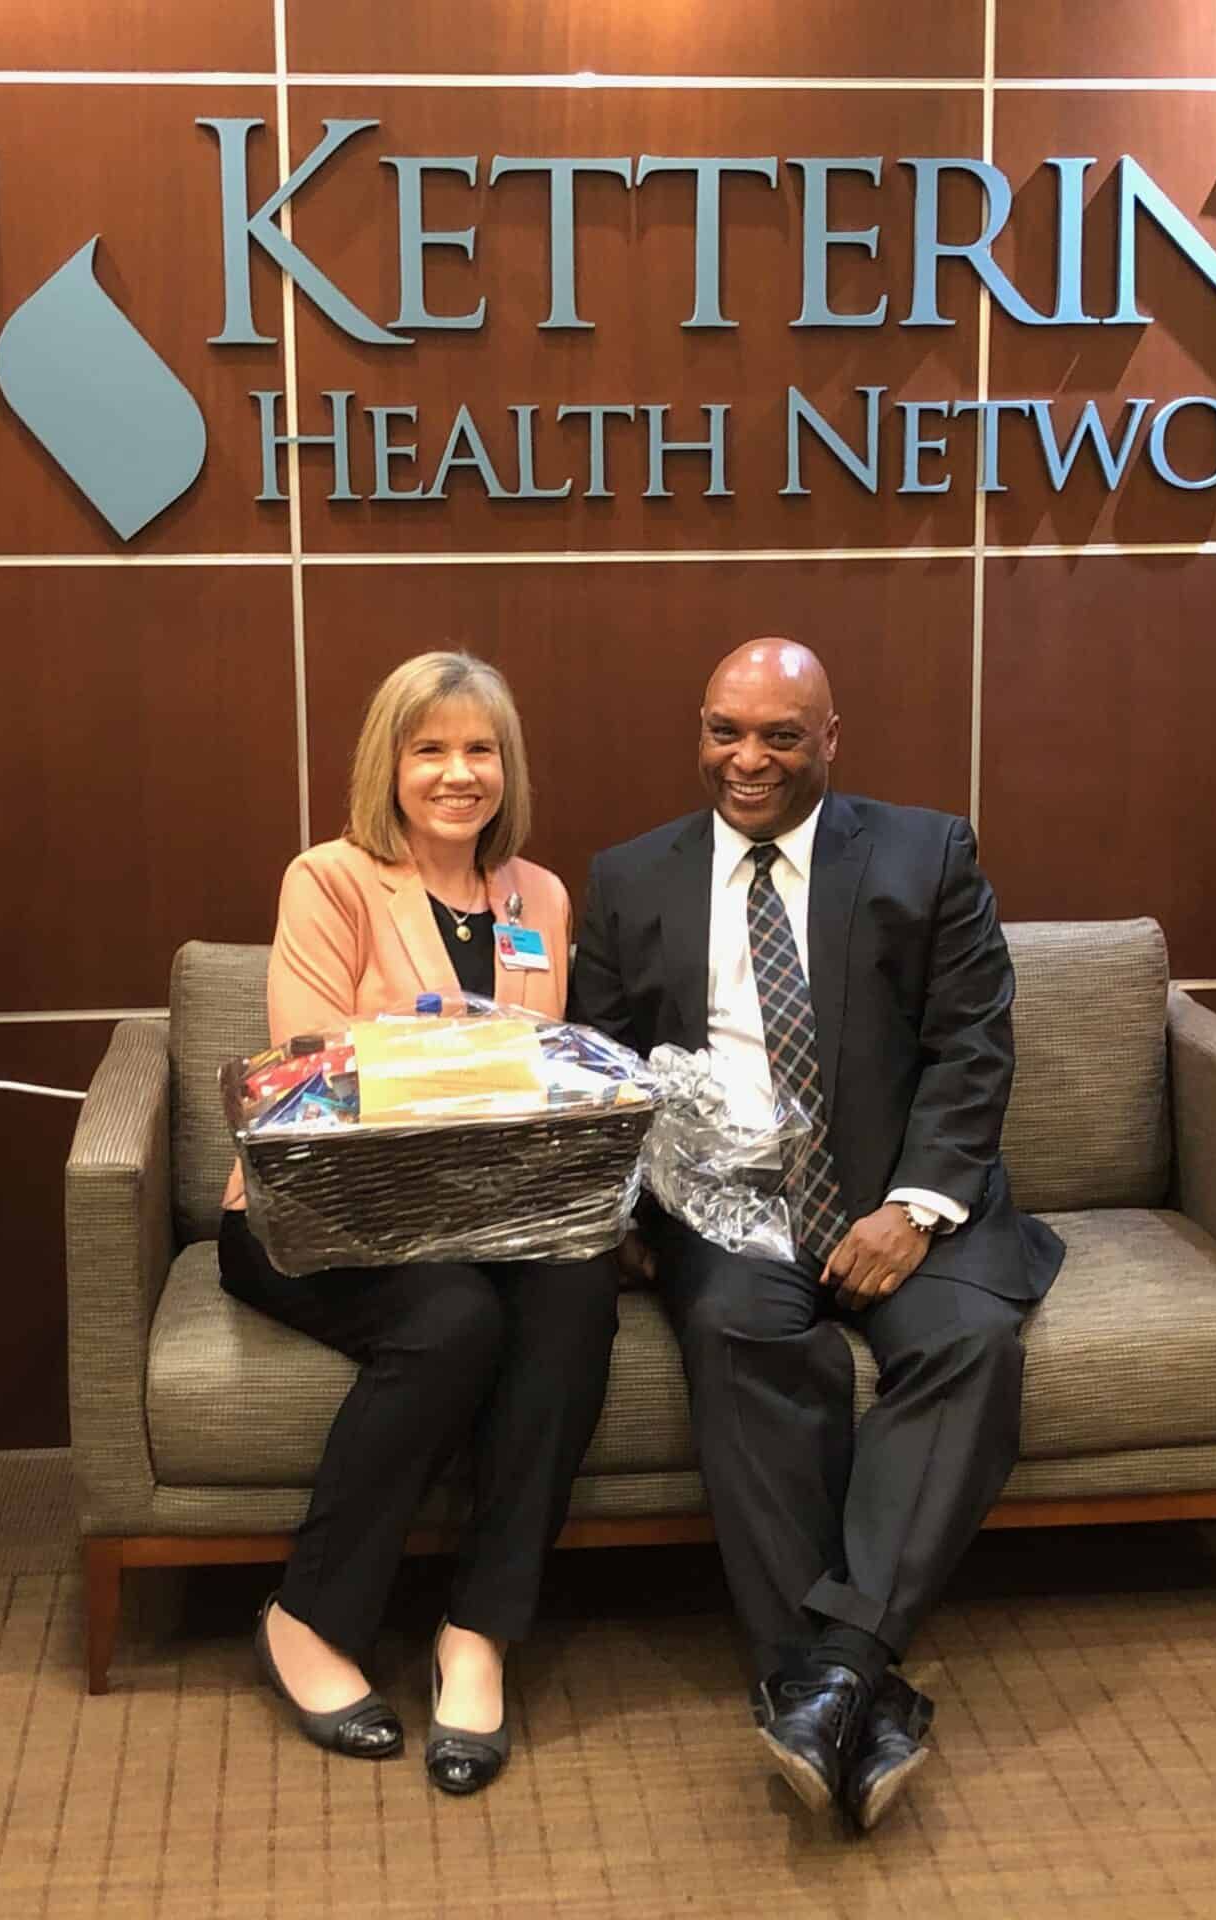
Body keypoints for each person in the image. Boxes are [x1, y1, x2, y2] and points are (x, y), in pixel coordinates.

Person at [570, 638, 1063, 1832]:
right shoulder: (632, 877)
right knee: (743, 1341)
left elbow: (972, 1045)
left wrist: (913, 1208)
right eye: (724, 730)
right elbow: (602, 1067)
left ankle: (822, 1673)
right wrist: (633, 1213)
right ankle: (858, 1684)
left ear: (829, 741)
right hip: (728, 1212)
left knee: (968, 1351)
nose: (748, 759)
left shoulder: (923, 853)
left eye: (780, 736)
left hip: (897, 1201)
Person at [219, 650, 621, 1797]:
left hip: (490, 1212)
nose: (458, 773)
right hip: (320, 1217)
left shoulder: (537, 895)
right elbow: (310, 1074)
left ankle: (477, 1635)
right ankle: (306, 1617)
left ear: (508, 766)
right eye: (430, 749)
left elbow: (547, 1072)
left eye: (479, 749)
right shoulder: (330, 879)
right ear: (388, 766)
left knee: (577, 1289)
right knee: (451, 1325)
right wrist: (456, 1047)